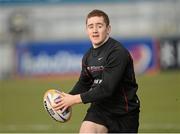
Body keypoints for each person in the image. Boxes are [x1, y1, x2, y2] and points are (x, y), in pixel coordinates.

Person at [53, 9, 140, 133]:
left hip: (124, 113)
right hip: (100, 109)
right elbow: (84, 82)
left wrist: (74, 99)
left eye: (99, 26)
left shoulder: (117, 53)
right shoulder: (88, 56)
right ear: (86, 30)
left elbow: (106, 89)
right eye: (91, 26)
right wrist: (65, 100)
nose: (94, 30)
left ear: (108, 29)